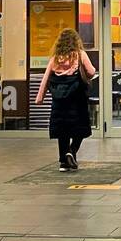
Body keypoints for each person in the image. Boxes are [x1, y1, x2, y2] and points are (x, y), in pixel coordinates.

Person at [34, 28, 96, 171]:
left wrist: (39, 98)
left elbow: (45, 79)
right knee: (80, 129)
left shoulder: (55, 58)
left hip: (59, 101)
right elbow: (91, 71)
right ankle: (72, 152)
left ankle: (64, 161)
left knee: (62, 131)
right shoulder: (80, 55)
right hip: (77, 99)